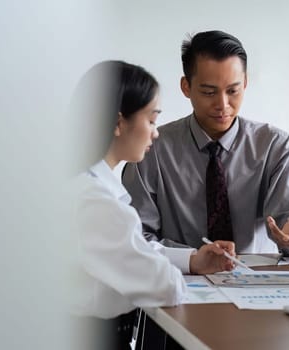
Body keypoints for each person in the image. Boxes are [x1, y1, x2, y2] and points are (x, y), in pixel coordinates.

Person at [70, 60, 236, 349]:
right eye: (151, 120)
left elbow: (132, 249)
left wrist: (192, 260)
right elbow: (164, 285)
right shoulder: (96, 203)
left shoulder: (87, 188)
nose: (155, 133)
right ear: (118, 123)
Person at [122, 30, 289, 258]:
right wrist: (192, 259)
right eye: (209, 92)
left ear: (245, 83)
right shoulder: (151, 149)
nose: (223, 104)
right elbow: (135, 238)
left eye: (233, 91)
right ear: (186, 87)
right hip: (179, 281)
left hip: (257, 284)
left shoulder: (276, 147)